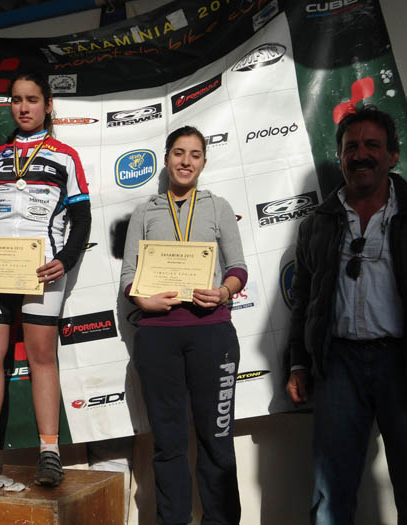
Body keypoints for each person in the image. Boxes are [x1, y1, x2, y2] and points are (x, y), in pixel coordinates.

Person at [285, 106, 407, 524]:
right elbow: (303, 300)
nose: (360, 155)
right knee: (329, 496)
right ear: (340, 157)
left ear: (393, 155)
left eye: (372, 145)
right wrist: (299, 363)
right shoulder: (317, 225)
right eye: (351, 147)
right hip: (338, 367)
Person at [0, 72, 91, 487]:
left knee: (42, 355)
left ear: (48, 105)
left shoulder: (65, 156)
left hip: (40, 267)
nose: (24, 107)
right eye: (17, 100)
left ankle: (49, 452)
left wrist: (65, 260)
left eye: (32, 99)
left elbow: (81, 218)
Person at [120, 126, 247, 524]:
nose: (186, 161)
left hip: (212, 333)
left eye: (194, 154)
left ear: (204, 162)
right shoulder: (145, 212)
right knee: (168, 443)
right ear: (166, 159)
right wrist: (142, 299)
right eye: (178, 153)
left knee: (216, 440)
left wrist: (223, 292)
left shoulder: (218, 207)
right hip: (158, 336)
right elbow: (128, 276)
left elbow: (238, 268)